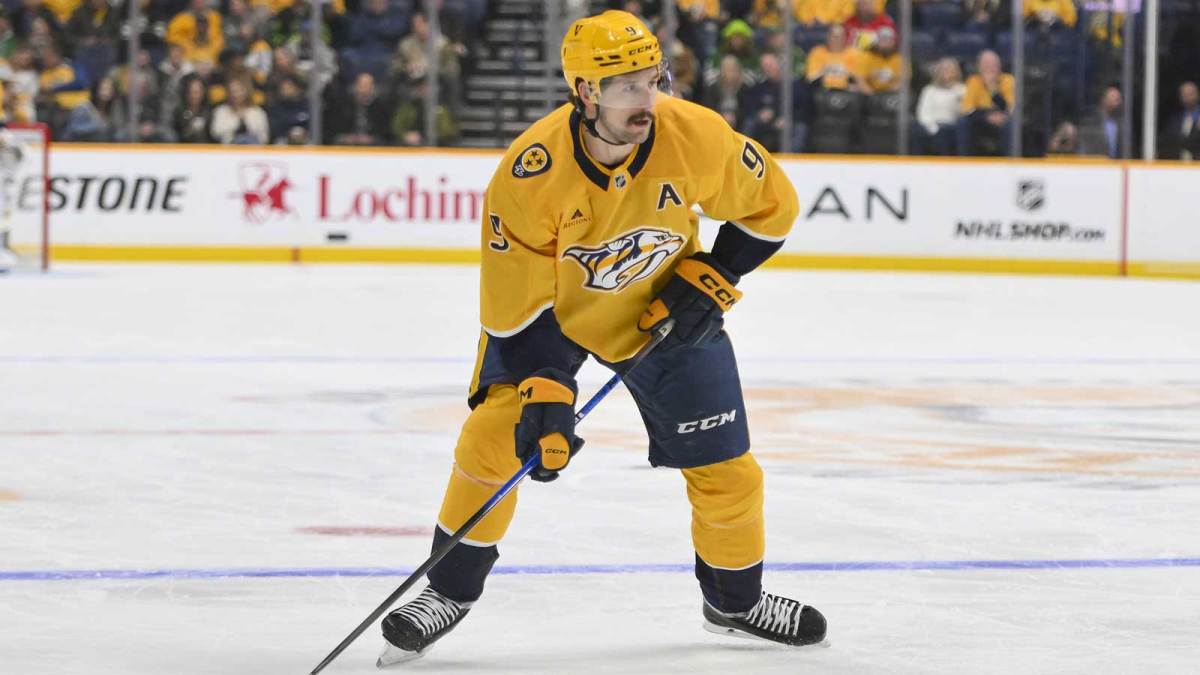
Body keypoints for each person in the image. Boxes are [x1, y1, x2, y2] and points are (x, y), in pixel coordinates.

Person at [375, 10, 827, 667]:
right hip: (555, 317)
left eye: (654, 78)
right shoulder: (529, 175)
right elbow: (516, 307)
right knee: (493, 437)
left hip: (663, 311)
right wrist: (546, 391)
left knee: (727, 467)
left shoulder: (693, 134)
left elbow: (773, 205)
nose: (648, 99)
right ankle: (446, 591)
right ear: (585, 92)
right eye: (627, 86)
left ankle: (734, 599)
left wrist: (716, 273)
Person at [957, 49, 1014, 156]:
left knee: (1010, 126)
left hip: (1002, 119)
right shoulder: (973, 81)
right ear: (979, 67)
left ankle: (1008, 162)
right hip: (981, 119)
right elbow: (967, 109)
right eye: (987, 64)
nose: (991, 68)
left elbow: (1009, 107)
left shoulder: (1008, 80)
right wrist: (986, 116)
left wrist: (992, 88)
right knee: (963, 123)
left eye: (994, 64)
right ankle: (965, 161)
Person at [913, 57, 964, 155]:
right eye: (944, 69)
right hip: (931, 125)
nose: (947, 71)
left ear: (957, 72)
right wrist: (934, 128)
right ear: (938, 72)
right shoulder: (929, 90)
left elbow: (963, 113)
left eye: (950, 69)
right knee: (916, 130)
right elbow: (923, 112)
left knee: (945, 134)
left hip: (951, 126)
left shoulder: (962, 90)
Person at [1077, 85, 1123, 158]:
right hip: (1097, 166)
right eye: (1114, 98)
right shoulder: (1091, 122)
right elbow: (1085, 148)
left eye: (1118, 99)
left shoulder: (1122, 124)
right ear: (1104, 100)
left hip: (1117, 167)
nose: (1118, 103)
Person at [1165, 80, 1200, 161]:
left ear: (1197, 95)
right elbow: (1170, 142)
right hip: (1178, 164)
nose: (1187, 97)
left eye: (1191, 94)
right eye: (1184, 94)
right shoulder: (1175, 119)